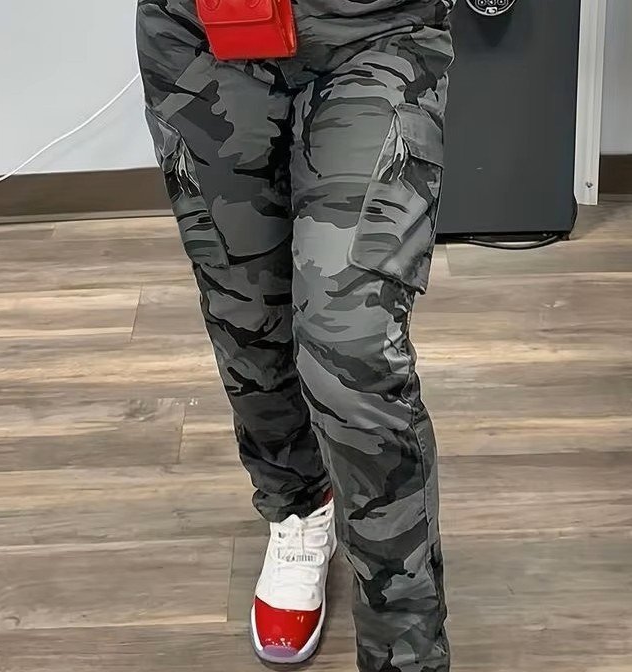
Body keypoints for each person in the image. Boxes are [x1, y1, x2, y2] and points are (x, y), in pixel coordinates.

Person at [137, 1, 454, 670]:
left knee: (352, 348)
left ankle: (406, 650)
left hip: (374, 30)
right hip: (203, 37)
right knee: (247, 322)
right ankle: (299, 510)